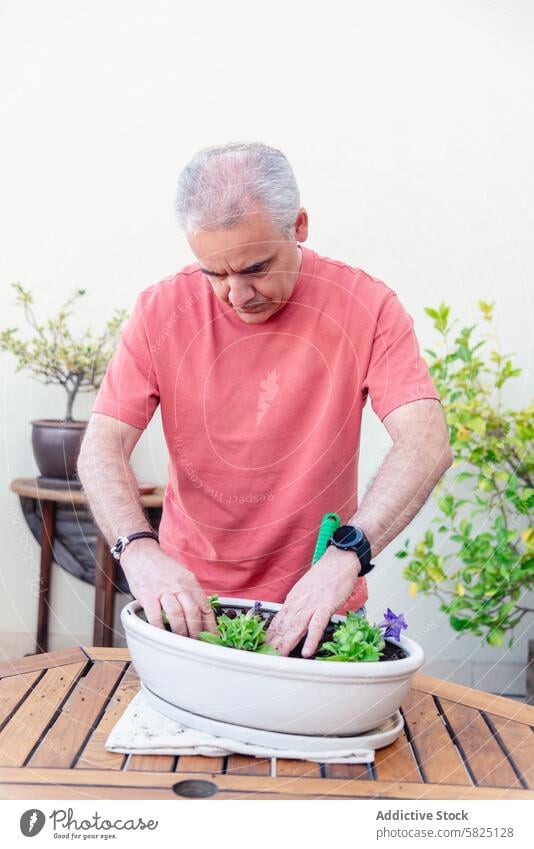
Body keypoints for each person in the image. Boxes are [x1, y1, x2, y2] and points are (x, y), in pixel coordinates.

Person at [77, 142, 453, 658]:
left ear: (298, 225)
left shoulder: (367, 306)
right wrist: (138, 551)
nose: (237, 294)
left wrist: (347, 559)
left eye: (255, 268)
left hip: (318, 608)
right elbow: (101, 443)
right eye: (215, 274)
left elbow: (426, 442)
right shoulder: (160, 310)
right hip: (188, 605)